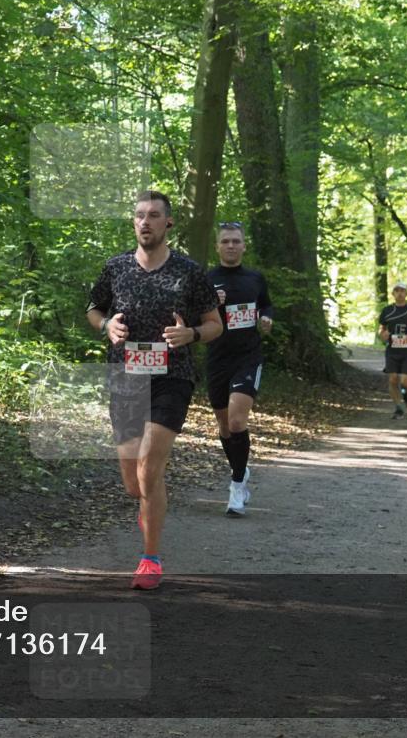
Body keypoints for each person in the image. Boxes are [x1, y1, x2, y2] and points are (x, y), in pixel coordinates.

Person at [87, 190, 222, 589]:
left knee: (150, 465)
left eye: (154, 216)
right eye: (139, 216)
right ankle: (149, 502)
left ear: (168, 224)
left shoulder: (189, 271)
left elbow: (216, 324)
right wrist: (105, 326)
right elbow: (95, 309)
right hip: (125, 379)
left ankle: (150, 558)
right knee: (135, 483)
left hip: (172, 377)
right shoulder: (116, 268)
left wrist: (192, 333)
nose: (145, 222)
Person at [205, 222, 273, 517]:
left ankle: (236, 486)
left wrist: (266, 319)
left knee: (236, 421)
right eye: (225, 241)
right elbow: (190, 315)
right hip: (218, 357)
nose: (231, 246)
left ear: (244, 246)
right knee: (222, 425)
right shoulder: (206, 279)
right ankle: (241, 471)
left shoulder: (255, 278)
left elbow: (266, 306)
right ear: (217, 246)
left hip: (248, 356)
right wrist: (210, 303)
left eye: (236, 241)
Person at [378, 282, 407, 420]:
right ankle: (398, 408)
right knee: (393, 379)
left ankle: (405, 393)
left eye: (402, 290)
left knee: (405, 382)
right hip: (392, 350)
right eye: (396, 290)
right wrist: (383, 334)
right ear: (392, 294)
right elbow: (381, 328)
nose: (400, 293)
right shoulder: (387, 310)